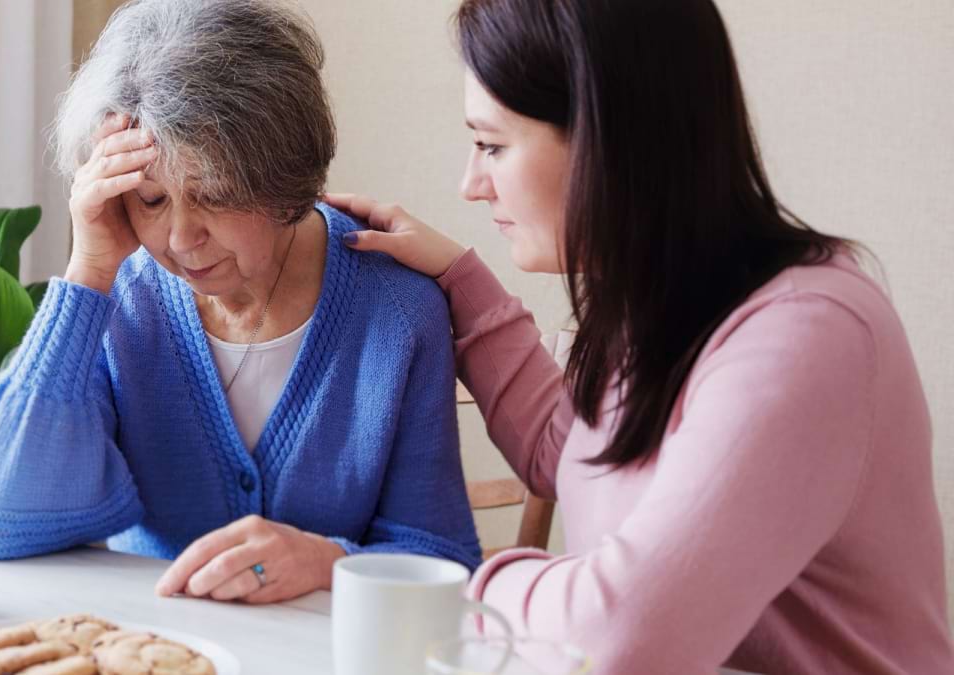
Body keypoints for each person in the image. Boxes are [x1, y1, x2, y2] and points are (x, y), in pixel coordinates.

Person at [328, 0, 954, 672]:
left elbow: (617, 633)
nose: (470, 183)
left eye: (492, 145)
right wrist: (458, 278)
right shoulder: (657, 307)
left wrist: (456, 584)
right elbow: (562, 452)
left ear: (608, 139)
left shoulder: (809, 337)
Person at [0, 0, 480, 605]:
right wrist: (87, 273)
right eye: (149, 201)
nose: (180, 239)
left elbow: (443, 558)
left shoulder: (398, 310)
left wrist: (330, 561)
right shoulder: (117, 294)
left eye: (215, 194)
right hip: (147, 646)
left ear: (283, 178)